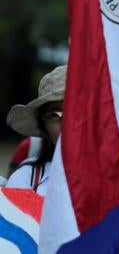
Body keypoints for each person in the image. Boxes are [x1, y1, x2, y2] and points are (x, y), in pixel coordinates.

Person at [5, 65, 66, 195]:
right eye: (54, 114)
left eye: (76, 109)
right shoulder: (25, 180)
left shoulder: (116, 177)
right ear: (44, 128)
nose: (66, 122)